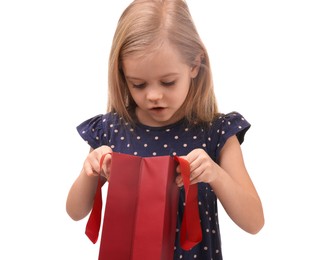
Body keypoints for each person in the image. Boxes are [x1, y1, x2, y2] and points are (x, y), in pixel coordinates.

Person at [66, 0, 264, 259]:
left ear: (194, 65)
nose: (154, 96)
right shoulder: (111, 131)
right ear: (122, 74)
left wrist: (215, 174)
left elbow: (254, 222)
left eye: (168, 82)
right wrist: (90, 171)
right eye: (138, 84)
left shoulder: (216, 132)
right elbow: (75, 211)